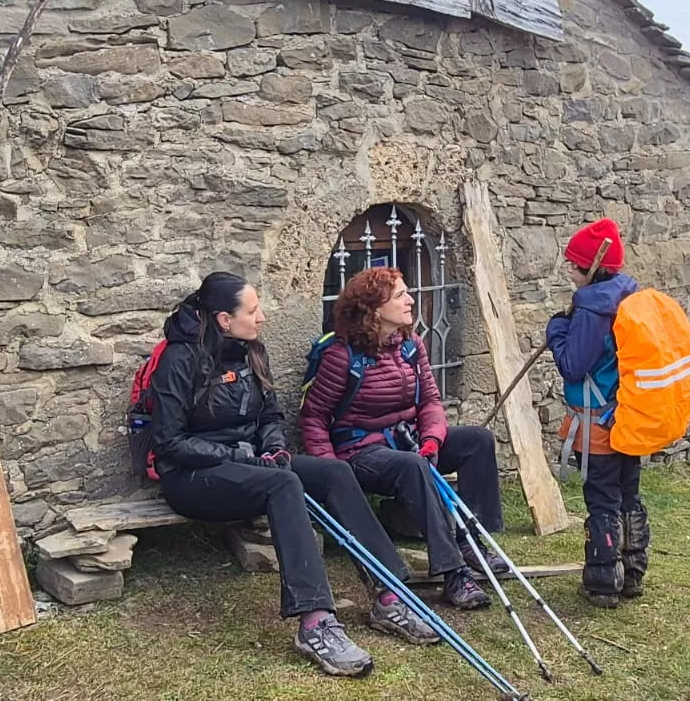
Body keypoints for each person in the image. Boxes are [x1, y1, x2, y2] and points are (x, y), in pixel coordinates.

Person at [148, 271, 440, 679]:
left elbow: (270, 415)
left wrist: (275, 448)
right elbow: (169, 443)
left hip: (253, 463)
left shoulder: (252, 350)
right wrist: (243, 456)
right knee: (283, 483)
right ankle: (315, 622)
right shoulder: (178, 360)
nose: (262, 317)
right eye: (252, 311)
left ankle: (390, 594)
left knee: (334, 472)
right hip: (192, 476)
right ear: (224, 320)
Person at [298, 267, 501, 614]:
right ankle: (453, 572)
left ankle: (472, 539)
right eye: (399, 296)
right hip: (360, 452)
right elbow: (313, 418)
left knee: (477, 440)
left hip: (408, 441)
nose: (410, 300)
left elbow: (430, 402)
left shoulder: (410, 345)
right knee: (412, 465)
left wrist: (432, 439)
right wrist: (331, 473)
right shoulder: (341, 355)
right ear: (374, 310)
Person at [544, 218, 651, 608]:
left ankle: (604, 582)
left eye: (573, 264)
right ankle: (632, 573)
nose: (569, 270)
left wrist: (557, 329)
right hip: (628, 417)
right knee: (628, 495)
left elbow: (573, 366)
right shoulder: (628, 296)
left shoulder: (592, 308)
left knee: (603, 500)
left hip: (598, 423)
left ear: (591, 267)